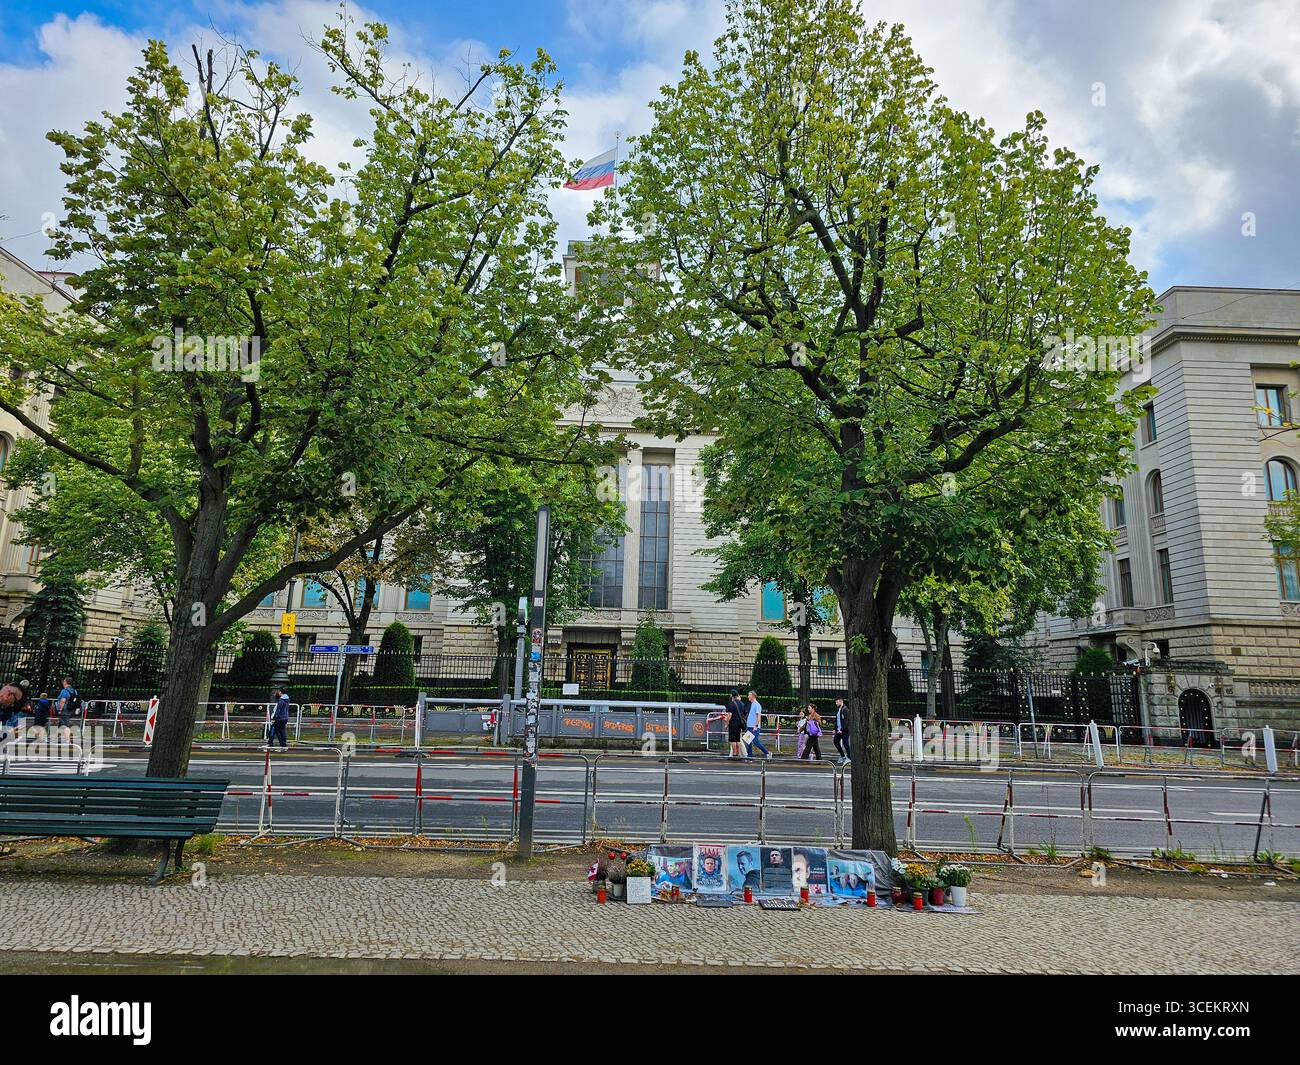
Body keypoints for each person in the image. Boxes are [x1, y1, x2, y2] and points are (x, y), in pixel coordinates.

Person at [744, 690, 771, 759]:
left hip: (754, 727)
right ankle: (750, 757)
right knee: (748, 742)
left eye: (749, 695)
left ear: (753, 696)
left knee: (755, 741)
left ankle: (767, 753)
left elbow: (758, 716)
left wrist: (756, 725)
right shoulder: (751, 704)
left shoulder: (757, 705)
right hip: (749, 726)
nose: (748, 696)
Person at [725, 689, 746, 758]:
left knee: (732, 740)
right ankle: (738, 753)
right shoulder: (742, 704)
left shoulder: (731, 704)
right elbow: (744, 714)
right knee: (738, 739)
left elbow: (729, 715)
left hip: (733, 724)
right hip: (739, 724)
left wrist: (727, 723)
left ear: (732, 696)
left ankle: (734, 754)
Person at [833, 696, 852, 764]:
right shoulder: (838, 709)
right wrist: (835, 728)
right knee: (835, 741)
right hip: (839, 730)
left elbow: (846, 721)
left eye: (837, 702)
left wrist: (841, 729)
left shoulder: (845, 709)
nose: (836, 703)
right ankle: (843, 756)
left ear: (841, 701)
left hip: (845, 730)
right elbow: (837, 719)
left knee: (845, 743)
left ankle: (849, 757)